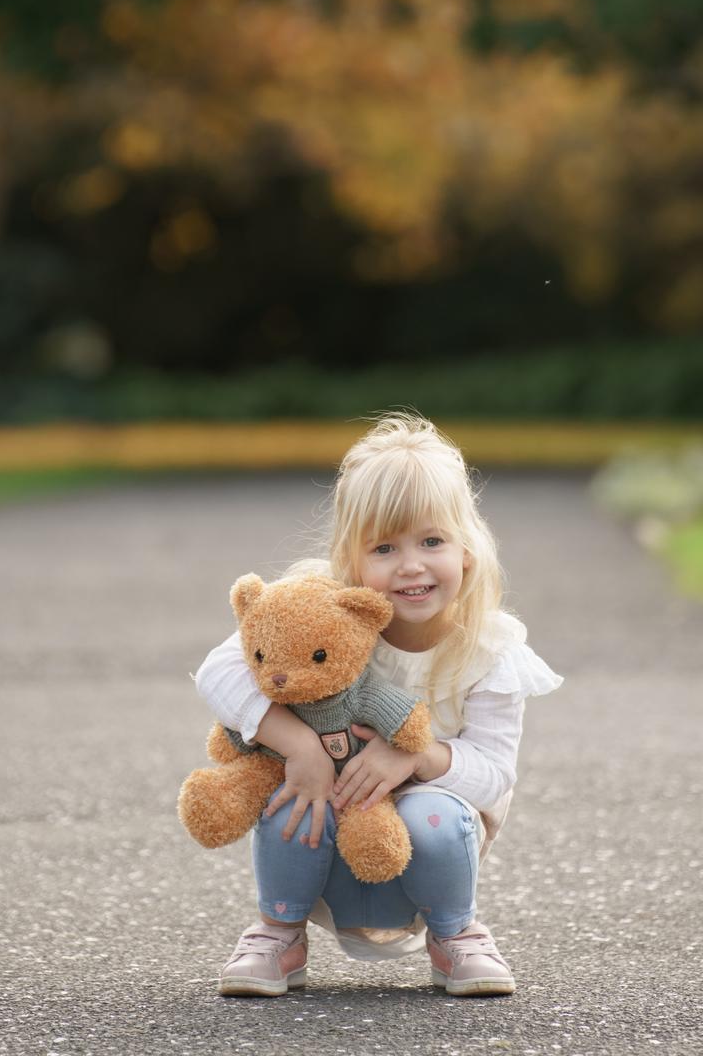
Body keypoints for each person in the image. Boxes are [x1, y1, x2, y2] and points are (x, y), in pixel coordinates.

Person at [194, 412, 562, 997]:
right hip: (328, 823)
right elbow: (219, 670)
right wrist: (299, 746)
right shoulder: (323, 605)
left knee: (430, 815)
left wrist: (414, 759)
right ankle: (279, 934)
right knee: (288, 793)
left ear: (467, 549)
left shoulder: (489, 648)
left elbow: (494, 775)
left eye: (432, 541)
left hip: (431, 846)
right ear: (350, 558)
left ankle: (457, 935)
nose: (411, 565)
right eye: (384, 547)